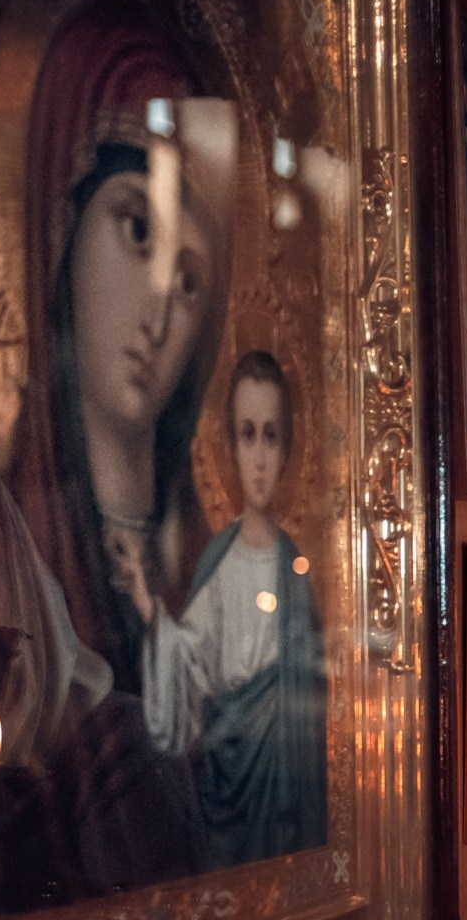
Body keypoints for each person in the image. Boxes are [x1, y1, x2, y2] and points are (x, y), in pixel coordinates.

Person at [0, 0, 238, 920]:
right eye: (137, 229)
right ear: (58, 230)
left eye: (191, 276)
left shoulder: (219, 569)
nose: (161, 307)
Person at [126, 351, 328, 868]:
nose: (259, 457)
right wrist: (147, 604)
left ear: (287, 448)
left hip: (285, 788)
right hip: (227, 780)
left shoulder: (296, 570)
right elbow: (190, 664)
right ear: (231, 447)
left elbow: (314, 693)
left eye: (270, 436)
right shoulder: (219, 561)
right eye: (247, 435)